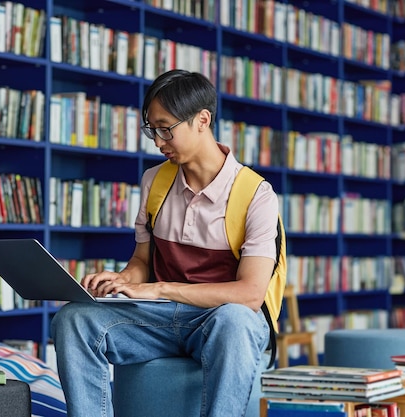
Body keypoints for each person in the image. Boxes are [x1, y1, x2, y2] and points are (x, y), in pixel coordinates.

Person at [50, 69, 279, 417]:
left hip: (218, 321)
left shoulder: (256, 195)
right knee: (74, 319)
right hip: (160, 320)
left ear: (202, 120)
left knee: (234, 322)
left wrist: (159, 289)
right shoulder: (154, 181)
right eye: (151, 130)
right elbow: (142, 260)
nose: (158, 141)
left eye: (165, 128)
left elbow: (249, 295)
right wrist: (123, 279)